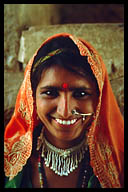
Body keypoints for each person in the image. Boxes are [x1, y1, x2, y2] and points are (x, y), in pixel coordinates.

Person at [4, 33, 124, 188]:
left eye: (81, 94)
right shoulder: (9, 163)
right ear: (31, 97)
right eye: (50, 93)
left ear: (99, 99)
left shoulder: (118, 166)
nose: (65, 111)